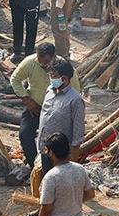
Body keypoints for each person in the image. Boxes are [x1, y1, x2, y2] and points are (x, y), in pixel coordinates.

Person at [10, 43, 82, 169]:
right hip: (35, 107)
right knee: (25, 135)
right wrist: (28, 100)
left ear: (53, 57)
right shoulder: (30, 62)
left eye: (46, 63)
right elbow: (15, 79)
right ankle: (35, 166)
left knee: (56, 144)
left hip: (58, 112)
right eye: (40, 62)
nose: (43, 65)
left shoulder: (63, 68)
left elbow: (74, 94)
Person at [31, 59, 85, 197]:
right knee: (45, 180)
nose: (51, 79)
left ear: (65, 78)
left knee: (60, 185)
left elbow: (78, 132)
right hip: (45, 146)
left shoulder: (75, 100)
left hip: (61, 153)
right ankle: (44, 207)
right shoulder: (49, 91)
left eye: (54, 77)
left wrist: (73, 158)